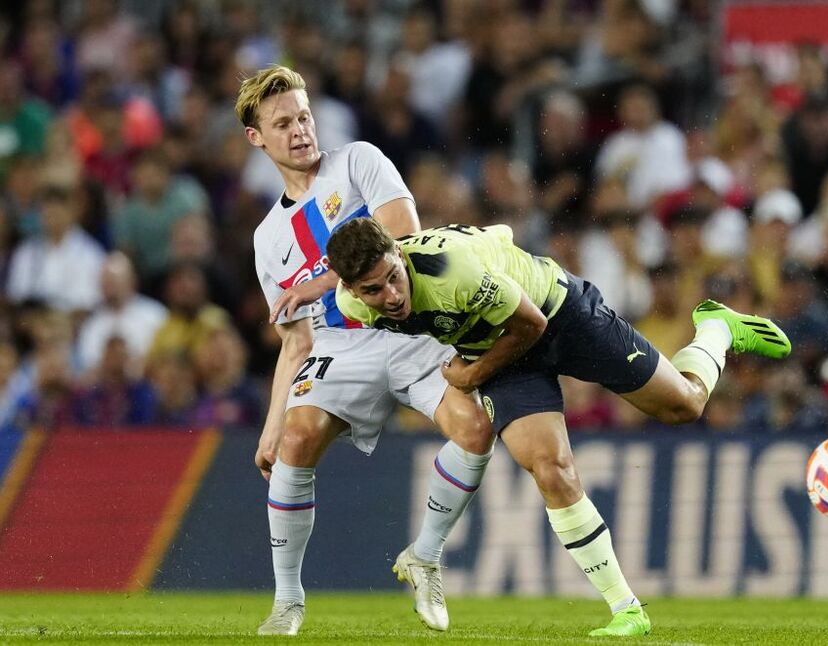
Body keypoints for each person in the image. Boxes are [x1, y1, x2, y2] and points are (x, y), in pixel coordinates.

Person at [329, 220, 792, 637]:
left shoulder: (451, 273)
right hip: (500, 353)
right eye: (373, 289)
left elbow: (530, 323)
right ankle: (626, 609)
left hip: (559, 313)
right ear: (351, 288)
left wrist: (470, 374)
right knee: (551, 469)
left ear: (399, 254)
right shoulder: (352, 304)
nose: (391, 295)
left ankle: (715, 327)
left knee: (685, 406)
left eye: (394, 276)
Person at [235, 65, 492, 636]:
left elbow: (403, 238)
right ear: (257, 138)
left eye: (304, 116)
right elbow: (295, 340)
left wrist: (323, 282)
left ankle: (424, 556)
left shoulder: (358, 161)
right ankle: (287, 600)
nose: (300, 130)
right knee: (295, 442)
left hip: (408, 329)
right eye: (283, 123)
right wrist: (271, 423)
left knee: (475, 431)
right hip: (338, 347)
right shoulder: (267, 240)